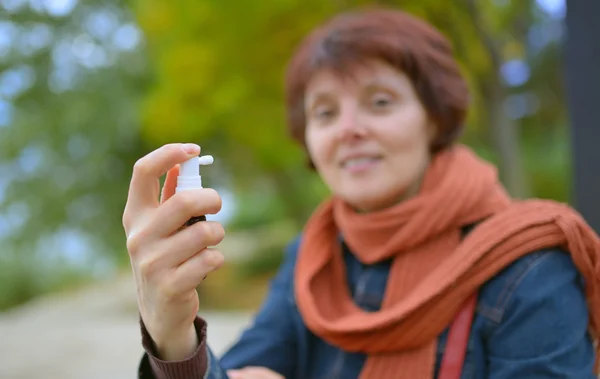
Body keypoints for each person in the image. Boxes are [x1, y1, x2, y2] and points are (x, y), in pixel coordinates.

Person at [122, 7, 600, 379]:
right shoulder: (314, 255)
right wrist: (172, 335)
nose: (348, 129)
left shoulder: (531, 267)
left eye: (380, 102)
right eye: (325, 113)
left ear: (433, 117)